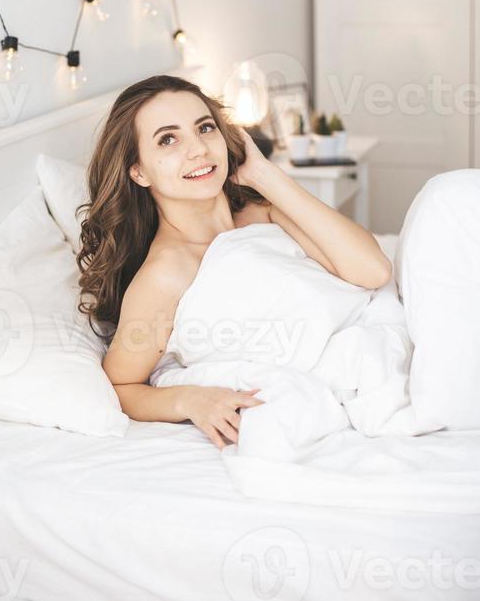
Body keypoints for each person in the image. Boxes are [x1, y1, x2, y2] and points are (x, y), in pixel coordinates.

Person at [76, 74, 392, 450]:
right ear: (139, 171)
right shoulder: (166, 274)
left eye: (205, 128)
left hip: (383, 333)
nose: (198, 150)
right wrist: (190, 399)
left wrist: (262, 173)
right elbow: (121, 386)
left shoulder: (264, 210)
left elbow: (374, 271)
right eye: (168, 139)